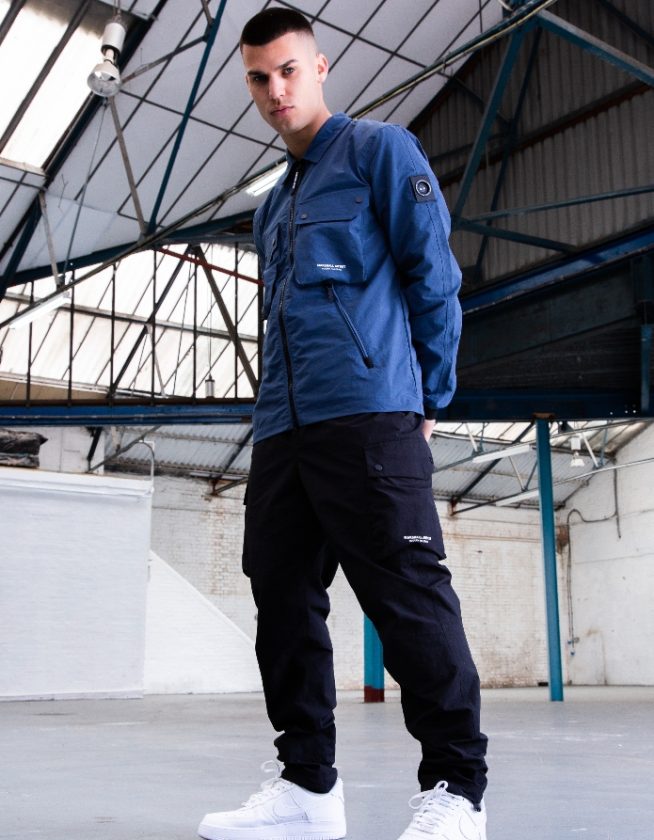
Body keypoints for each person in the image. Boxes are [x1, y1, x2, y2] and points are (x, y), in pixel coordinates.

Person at [198, 7, 488, 840]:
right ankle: (307, 790)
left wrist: (429, 399)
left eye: (289, 70)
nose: (275, 90)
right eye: (259, 78)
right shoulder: (271, 207)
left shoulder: (379, 152)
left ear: (320, 67)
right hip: (284, 428)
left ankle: (458, 792)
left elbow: (433, 276)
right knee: (282, 599)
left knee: (408, 600)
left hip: (371, 415)